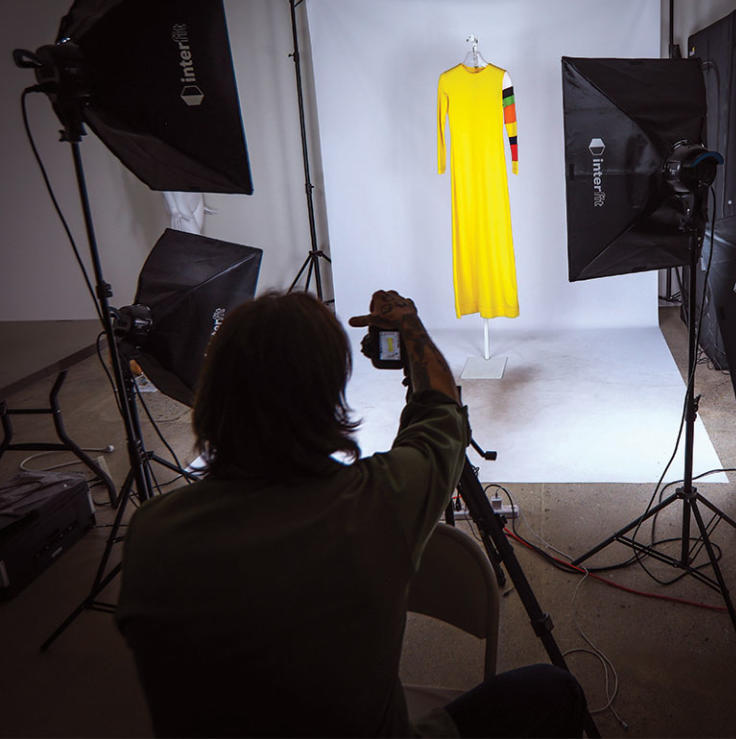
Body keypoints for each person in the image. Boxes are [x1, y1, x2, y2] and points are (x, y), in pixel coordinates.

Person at [116, 290, 585, 737]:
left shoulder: (152, 531)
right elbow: (440, 413)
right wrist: (410, 326)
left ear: (212, 395)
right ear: (327, 400)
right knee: (552, 690)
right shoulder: (378, 503)